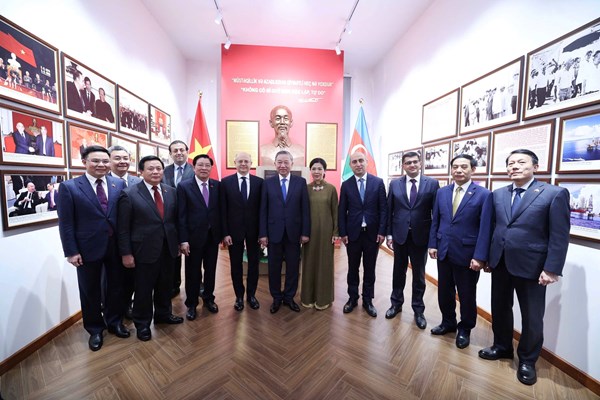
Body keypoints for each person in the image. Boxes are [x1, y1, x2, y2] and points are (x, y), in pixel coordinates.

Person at [479, 149, 570, 386]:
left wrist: (551, 269)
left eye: (521, 162)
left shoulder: (553, 194)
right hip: (500, 262)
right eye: (511, 163)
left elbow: (559, 236)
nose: (515, 166)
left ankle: (528, 360)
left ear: (535, 167)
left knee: (532, 316)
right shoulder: (498, 194)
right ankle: (502, 346)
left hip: (533, 266)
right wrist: (486, 257)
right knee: (500, 308)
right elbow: (494, 228)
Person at [57, 145, 127, 351]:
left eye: (105, 161)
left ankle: (115, 322)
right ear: (84, 162)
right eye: (95, 161)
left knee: (116, 287)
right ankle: (95, 329)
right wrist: (71, 251)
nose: (101, 165)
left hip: (115, 246)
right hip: (87, 248)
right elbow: (66, 223)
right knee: (90, 290)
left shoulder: (118, 183)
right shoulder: (69, 187)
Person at [427, 154, 493, 349]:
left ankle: (465, 328)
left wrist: (480, 256)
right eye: (455, 167)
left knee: (466, 294)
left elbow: (485, 228)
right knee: (444, 291)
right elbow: (436, 220)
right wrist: (433, 244)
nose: (458, 170)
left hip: (468, 254)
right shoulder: (442, 192)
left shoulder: (483, 194)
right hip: (444, 251)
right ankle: (448, 322)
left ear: (473, 169)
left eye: (464, 166)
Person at [118, 155, 183, 342]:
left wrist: (179, 242)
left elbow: (174, 221)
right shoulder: (129, 194)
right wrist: (126, 253)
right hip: (143, 251)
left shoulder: (171, 191)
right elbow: (123, 228)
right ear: (141, 172)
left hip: (168, 248)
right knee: (144, 289)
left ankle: (163, 314)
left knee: (165, 285)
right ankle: (142, 323)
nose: (155, 172)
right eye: (150, 169)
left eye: (159, 168)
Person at [385, 151, 438, 328]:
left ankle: (418, 310)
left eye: (415, 162)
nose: (412, 165)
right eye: (408, 163)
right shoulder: (395, 184)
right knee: (398, 272)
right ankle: (396, 304)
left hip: (421, 237)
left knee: (419, 275)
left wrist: (433, 241)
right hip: (399, 236)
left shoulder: (432, 184)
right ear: (403, 166)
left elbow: (436, 214)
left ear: (420, 163)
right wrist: (389, 235)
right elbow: (389, 210)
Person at [259, 150, 310, 313]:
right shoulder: (267, 183)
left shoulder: (300, 182)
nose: (283, 165)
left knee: (293, 268)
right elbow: (263, 210)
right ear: (275, 164)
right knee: (274, 268)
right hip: (273, 233)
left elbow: (305, 209)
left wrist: (305, 232)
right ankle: (276, 298)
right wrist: (263, 234)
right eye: (279, 162)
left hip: (294, 233)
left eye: (286, 162)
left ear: (291, 164)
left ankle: (289, 297)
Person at [338, 151, 387, 318]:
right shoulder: (346, 185)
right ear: (350, 165)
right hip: (353, 235)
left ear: (367, 162)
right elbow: (341, 211)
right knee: (352, 268)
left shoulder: (378, 183)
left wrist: (382, 231)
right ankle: (352, 298)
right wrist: (343, 232)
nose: (358, 164)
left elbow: (383, 209)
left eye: (361, 161)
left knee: (370, 268)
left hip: (372, 235)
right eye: (354, 162)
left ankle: (368, 300)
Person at [177, 154, 222, 320]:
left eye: (207, 165)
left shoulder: (217, 185)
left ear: (211, 168)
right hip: (192, 238)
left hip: (212, 237)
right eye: (200, 165)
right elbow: (181, 215)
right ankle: (191, 304)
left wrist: (222, 233)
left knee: (211, 270)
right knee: (192, 272)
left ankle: (209, 299)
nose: (204, 168)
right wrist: (183, 240)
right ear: (194, 167)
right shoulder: (184, 186)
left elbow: (221, 211)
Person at [221, 152, 263, 311]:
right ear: (235, 163)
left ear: (251, 163)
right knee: (235, 264)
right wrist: (225, 233)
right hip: (233, 232)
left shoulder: (259, 182)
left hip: (254, 232)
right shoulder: (226, 182)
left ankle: (251, 295)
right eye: (240, 161)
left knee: (254, 264)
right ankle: (239, 296)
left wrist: (262, 233)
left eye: (246, 161)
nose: (243, 164)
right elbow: (223, 210)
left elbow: (262, 210)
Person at [301, 157, 339, 310]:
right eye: (314, 169)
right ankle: (307, 297)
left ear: (324, 171)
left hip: (326, 233)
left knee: (325, 264)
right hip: (309, 233)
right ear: (310, 171)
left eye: (319, 169)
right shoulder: (305, 188)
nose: (316, 171)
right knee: (309, 263)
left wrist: (336, 232)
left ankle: (323, 299)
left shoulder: (331, 189)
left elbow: (335, 212)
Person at [162, 140, 195, 297]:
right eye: (175, 150)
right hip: (168, 219)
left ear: (187, 152)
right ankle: (174, 285)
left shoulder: (195, 170)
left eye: (182, 150)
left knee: (193, 256)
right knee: (172, 254)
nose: (179, 153)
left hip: (190, 220)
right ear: (170, 154)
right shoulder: (163, 171)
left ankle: (195, 285)